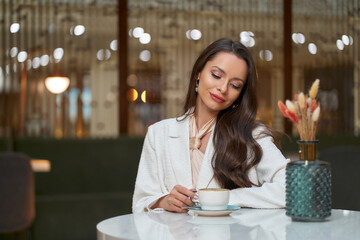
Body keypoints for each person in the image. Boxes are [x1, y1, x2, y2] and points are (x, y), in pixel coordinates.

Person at [132, 38, 289, 213]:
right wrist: (163, 202)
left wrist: (225, 198)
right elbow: (140, 204)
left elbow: (292, 188)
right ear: (198, 74)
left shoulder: (252, 135)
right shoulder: (158, 134)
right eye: (216, 75)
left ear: (240, 94)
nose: (223, 88)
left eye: (235, 85)